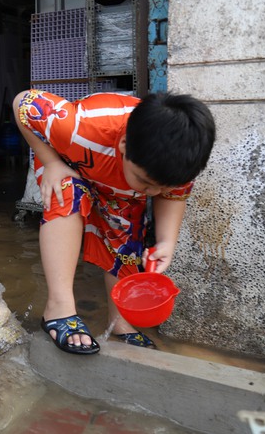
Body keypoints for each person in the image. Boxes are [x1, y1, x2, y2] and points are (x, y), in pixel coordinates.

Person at [13, 90, 215, 355]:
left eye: (161, 187)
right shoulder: (79, 125)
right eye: (146, 182)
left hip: (120, 190)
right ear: (123, 145)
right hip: (69, 166)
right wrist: (50, 161)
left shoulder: (178, 160)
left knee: (128, 230)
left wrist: (167, 242)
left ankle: (120, 321)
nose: (153, 193)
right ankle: (59, 308)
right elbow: (22, 103)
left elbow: (173, 196)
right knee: (67, 191)